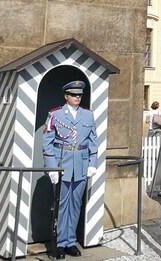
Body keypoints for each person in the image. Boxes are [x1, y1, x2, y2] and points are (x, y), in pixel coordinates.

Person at [42, 80, 98, 258]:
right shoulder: (55, 114)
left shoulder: (88, 115)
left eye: (80, 95)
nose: (77, 98)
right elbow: (47, 143)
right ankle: (58, 243)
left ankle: (70, 242)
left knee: (75, 205)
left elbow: (93, 141)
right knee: (61, 205)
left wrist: (92, 164)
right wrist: (51, 168)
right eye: (74, 95)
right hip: (61, 166)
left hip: (81, 166)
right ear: (66, 96)